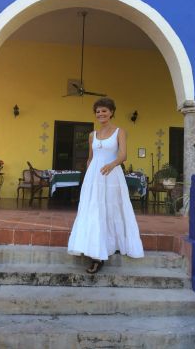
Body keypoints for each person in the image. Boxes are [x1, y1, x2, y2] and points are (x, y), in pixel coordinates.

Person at [67, 97, 144, 273]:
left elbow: (123, 155)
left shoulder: (119, 131)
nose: (100, 114)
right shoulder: (91, 135)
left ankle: (110, 246)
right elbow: (90, 158)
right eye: (98, 111)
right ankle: (95, 252)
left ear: (111, 113)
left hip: (111, 176)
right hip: (94, 177)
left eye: (104, 111)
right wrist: (88, 177)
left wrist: (111, 164)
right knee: (93, 211)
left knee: (111, 211)